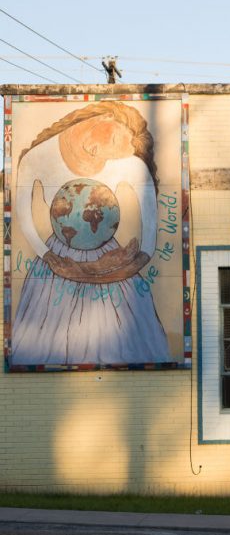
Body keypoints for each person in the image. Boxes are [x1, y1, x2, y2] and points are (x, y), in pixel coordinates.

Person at [11, 101, 171, 365]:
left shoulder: (133, 166)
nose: (109, 151)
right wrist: (54, 261)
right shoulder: (36, 158)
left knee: (121, 343)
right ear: (107, 116)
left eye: (117, 152)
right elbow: (24, 220)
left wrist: (103, 270)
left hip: (114, 266)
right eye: (115, 138)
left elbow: (148, 246)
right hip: (55, 266)